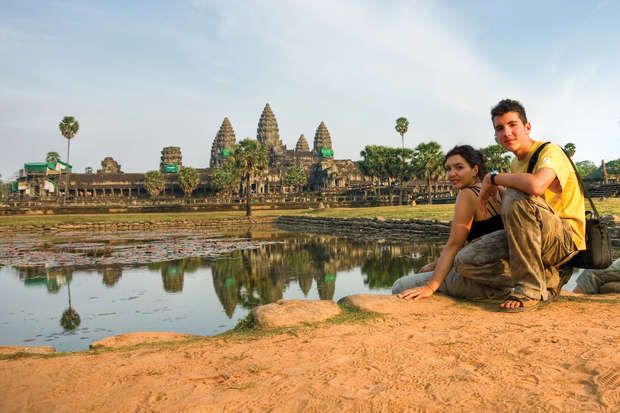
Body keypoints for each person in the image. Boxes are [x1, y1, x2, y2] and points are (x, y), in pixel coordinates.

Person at [451, 98, 586, 311]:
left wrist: (494, 178)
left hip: (563, 238)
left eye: (512, 125)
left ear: (527, 126)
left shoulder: (550, 152)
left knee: (516, 191)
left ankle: (529, 290)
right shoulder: (515, 163)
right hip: (533, 235)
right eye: (500, 128)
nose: (506, 133)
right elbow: (521, 208)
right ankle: (545, 280)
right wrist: (498, 191)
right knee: (464, 261)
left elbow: (536, 186)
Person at [392, 145, 506, 300]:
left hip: (485, 285)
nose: (452, 174)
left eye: (459, 167)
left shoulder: (467, 194)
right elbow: (475, 242)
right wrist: (435, 264)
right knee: (428, 270)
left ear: (475, 169)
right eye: (448, 169)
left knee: (400, 285)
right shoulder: (497, 190)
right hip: (501, 275)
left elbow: (455, 244)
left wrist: (430, 287)